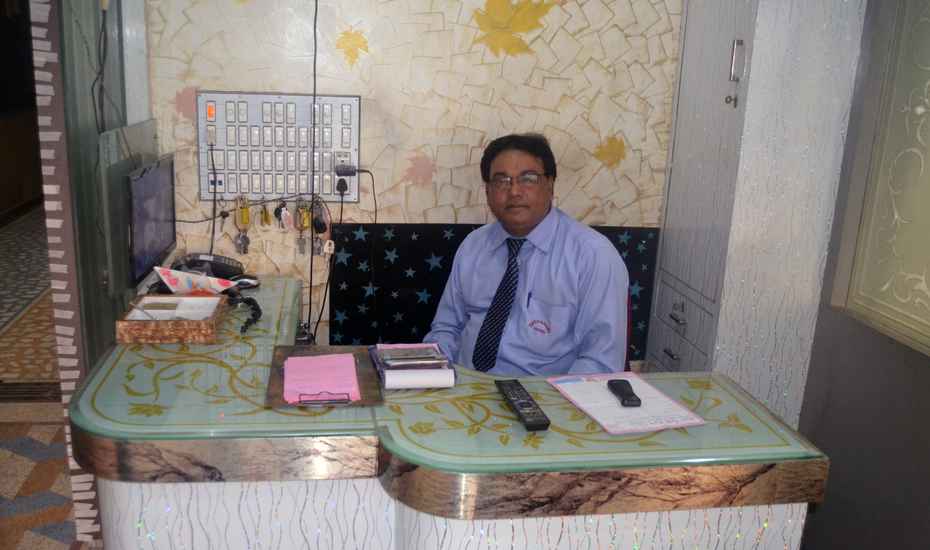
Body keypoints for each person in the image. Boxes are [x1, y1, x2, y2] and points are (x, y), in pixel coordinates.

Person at [424, 133, 629, 376]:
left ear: (550, 184)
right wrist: (432, 376)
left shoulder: (593, 256)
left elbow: (600, 361)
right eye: (501, 180)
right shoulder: (473, 246)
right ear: (488, 191)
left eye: (528, 179)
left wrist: (549, 398)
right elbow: (446, 328)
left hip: (544, 392)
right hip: (464, 385)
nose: (514, 191)